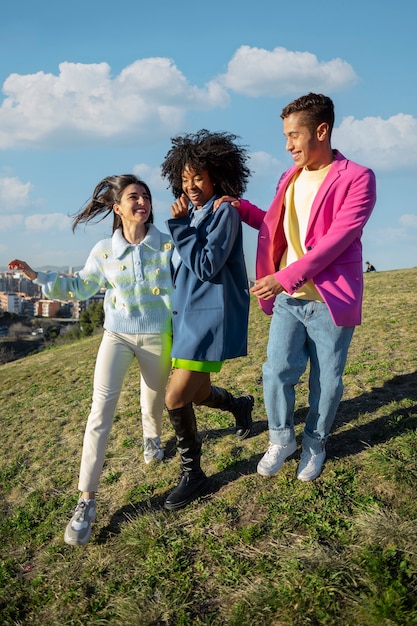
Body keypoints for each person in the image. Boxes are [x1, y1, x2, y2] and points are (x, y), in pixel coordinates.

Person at [9, 174, 173, 545]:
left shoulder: (167, 245)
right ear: (118, 208)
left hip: (157, 335)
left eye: (146, 196)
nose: (142, 201)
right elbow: (79, 286)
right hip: (116, 335)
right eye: (134, 196)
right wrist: (36, 276)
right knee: (100, 412)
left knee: (153, 400)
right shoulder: (104, 251)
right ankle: (87, 499)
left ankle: (152, 438)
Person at [223, 93, 376, 481]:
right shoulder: (287, 178)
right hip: (289, 299)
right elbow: (278, 229)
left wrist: (282, 278)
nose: (288, 145)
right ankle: (281, 438)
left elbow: (335, 242)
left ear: (321, 130)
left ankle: (315, 442)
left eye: (294, 135)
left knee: (326, 381)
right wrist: (241, 209)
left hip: (328, 301)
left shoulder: (358, 178)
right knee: (276, 371)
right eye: (286, 136)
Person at [160, 129, 254, 511]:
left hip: (208, 322)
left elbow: (205, 265)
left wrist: (181, 228)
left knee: (175, 396)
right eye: (184, 179)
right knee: (197, 393)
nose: (191, 185)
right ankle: (240, 406)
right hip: (185, 321)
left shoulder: (223, 212)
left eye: (198, 177)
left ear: (216, 175)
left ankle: (194, 475)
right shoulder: (196, 214)